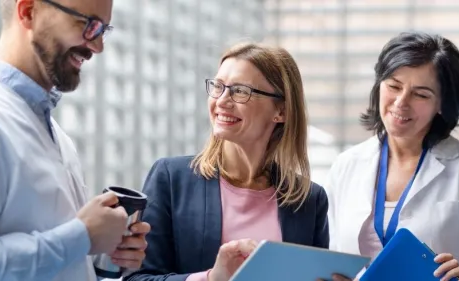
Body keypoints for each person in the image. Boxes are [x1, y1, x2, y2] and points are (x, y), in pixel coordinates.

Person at [0, 0, 151, 280]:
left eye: (103, 30)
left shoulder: (56, 136)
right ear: (28, 11)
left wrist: (100, 258)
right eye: (89, 24)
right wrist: (82, 236)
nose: (98, 46)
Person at [323, 31, 459, 281]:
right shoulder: (346, 165)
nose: (401, 102)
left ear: (442, 104)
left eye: (420, 94)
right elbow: (327, 258)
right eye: (394, 86)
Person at [124, 42, 329, 281]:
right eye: (218, 86)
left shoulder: (309, 200)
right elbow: (137, 278)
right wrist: (211, 278)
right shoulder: (171, 179)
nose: (221, 101)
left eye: (240, 91)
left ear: (281, 111)